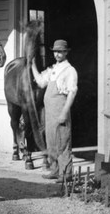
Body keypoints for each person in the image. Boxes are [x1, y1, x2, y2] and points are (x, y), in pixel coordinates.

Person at [31, 39, 77, 183]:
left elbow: (72, 92)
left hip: (60, 109)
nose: (58, 54)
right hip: (49, 111)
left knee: (63, 141)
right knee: (51, 141)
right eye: (56, 51)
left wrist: (64, 112)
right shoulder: (52, 69)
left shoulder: (70, 70)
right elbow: (40, 81)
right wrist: (32, 65)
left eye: (61, 51)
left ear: (66, 52)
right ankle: (55, 170)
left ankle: (66, 174)